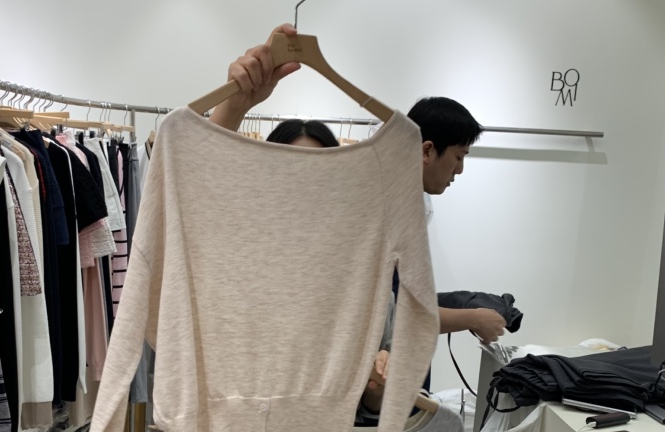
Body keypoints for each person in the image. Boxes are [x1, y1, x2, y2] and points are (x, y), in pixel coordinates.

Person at [209, 24, 508, 354]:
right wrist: (234, 106)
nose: (459, 169)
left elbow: (387, 321)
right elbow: (203, 185)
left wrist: (381, 370)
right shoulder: (249, 244)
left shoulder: (353, 243)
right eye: (458, 157)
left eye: (319, 173)